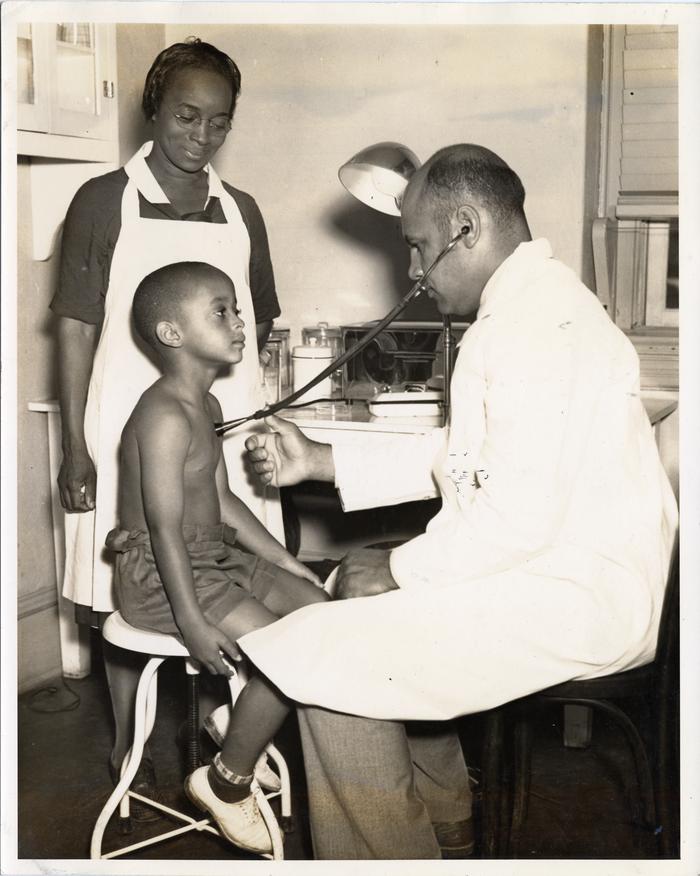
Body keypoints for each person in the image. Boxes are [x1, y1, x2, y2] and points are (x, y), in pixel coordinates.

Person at [242, 144, 679, 859]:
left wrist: (397, 570)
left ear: (466, 227)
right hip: (564, 572)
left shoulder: (533, 332)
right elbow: (471, 461)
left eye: (417, 247)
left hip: (582, 599)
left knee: (323, 657)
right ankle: (448, 830)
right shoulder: (537, 308)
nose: (411, 271)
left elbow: (514, 518)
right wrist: (319, 460)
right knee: (361, 613)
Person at [50, 38, 282, 806]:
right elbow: (78, 327)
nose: (202, 135)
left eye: (220, 121)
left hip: (221, 416)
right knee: (126, 590)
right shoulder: (101, 199)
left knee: (234, 574)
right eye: (187, 115)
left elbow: (262, 323)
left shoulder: (241, 208)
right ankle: (132, 740)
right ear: (154, 108)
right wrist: (80, 448)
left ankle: (230, 726)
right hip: (130, 418)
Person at [107, 260, 328, 853]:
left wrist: (286, 562)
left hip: (212, 557)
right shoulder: (162, 417)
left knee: (322, 613)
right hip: (162, 574)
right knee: (293, 652)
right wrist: (192, 624)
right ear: (172, 334)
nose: (239, 323)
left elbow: (223, 499)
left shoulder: (203, 406)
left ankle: (236, 724)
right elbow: (162, 531)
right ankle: (224, 781)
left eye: (236, 309)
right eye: (221, 311)